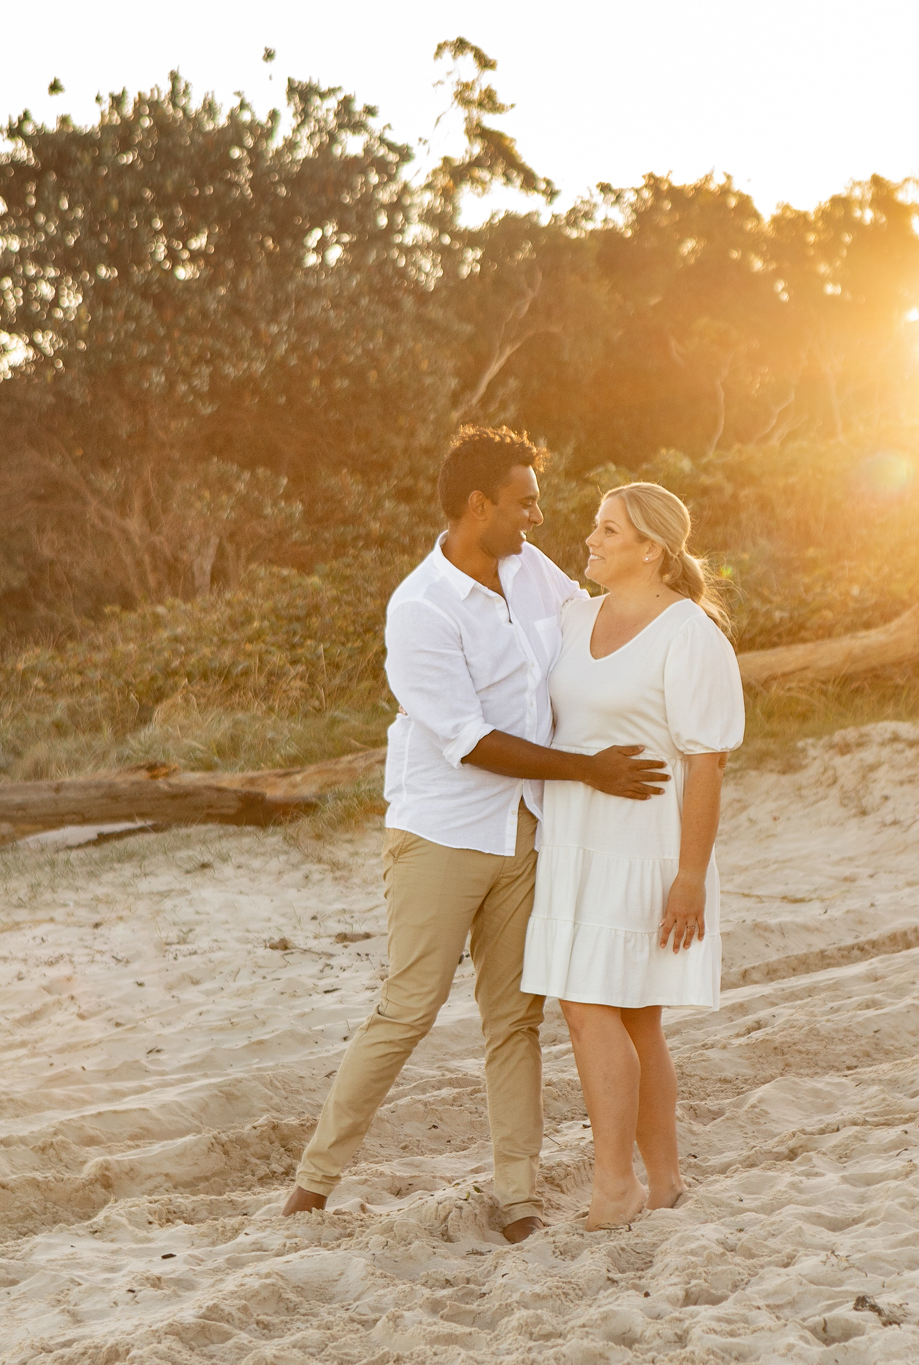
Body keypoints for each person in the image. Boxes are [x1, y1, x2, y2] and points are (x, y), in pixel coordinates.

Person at [281, 427, 668, 1244]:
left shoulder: (531, 569)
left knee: (513, 1019)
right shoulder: (418, 608)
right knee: (407, 1007)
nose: (537, 514)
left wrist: (676, 622)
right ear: (477, 505)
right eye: (524, 500)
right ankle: (313, 1182)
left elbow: (592, 624)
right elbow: (470, 739)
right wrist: (588, 768)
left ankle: (519, 1198)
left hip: (526, 827)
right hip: (442, 832)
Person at [520, 482, 744, 1230]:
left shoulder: (690, 633)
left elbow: (706, 763)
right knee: (635, 1017)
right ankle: (667, 1183)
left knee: (586, 1006)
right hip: (576, 841)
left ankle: (616, 1186)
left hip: (645, 848)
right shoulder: (574, 615)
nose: (592, 538)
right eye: (595, 526)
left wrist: (689, 877)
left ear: (651, 547)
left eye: (608, 529)